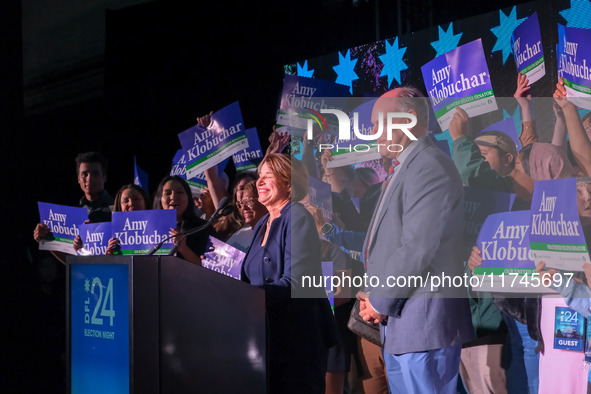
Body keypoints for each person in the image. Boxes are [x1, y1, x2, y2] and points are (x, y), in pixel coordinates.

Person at [357, 87, 473, 393]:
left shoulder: (428, 165)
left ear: (408, 119)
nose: (373, 132)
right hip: (403, 322)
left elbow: (416, 248)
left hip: (424, 321)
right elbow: (391, 244)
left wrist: (378, 301)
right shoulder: (406, 167)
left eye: (378, 122)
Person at [241, 153, 335, 394]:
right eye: (258, 176)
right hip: (266, 340)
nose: (258, 182)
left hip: (297, 343)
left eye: (268, 176)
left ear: (289, 183)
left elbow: (296, 282)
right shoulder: (262, 224)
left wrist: (247, 297)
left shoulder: (297, 217)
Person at [33, 151, 114, 263]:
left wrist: (96, 235)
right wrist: (45, 241)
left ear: (104, 177)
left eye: (95, 173)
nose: (89, 178)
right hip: (84, 278)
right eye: (85, 174)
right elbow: (72, 261)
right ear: (78, 179)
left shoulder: (116, 210)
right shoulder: (75, 214)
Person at [154, 175, 217, 265]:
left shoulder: (204, 228)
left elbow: (216, 269)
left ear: (188, 197)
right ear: (160, 199)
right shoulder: (148, 229)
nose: (173, 197)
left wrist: (183, 248)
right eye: (167, 193)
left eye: (179, 192)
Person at [72, 183, 151, 254]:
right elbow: (95, 264)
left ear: (145, 201)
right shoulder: (109, 232)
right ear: (119, 206)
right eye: (125, 201)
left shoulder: (157, 228)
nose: (131, 203)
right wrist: (83, 245)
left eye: (136, 199)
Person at [225, 181, 267, 252]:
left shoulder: (275, 234)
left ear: (265, 202)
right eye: (241, 204)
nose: (244, 208)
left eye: (248, 202)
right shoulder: (239, 235)